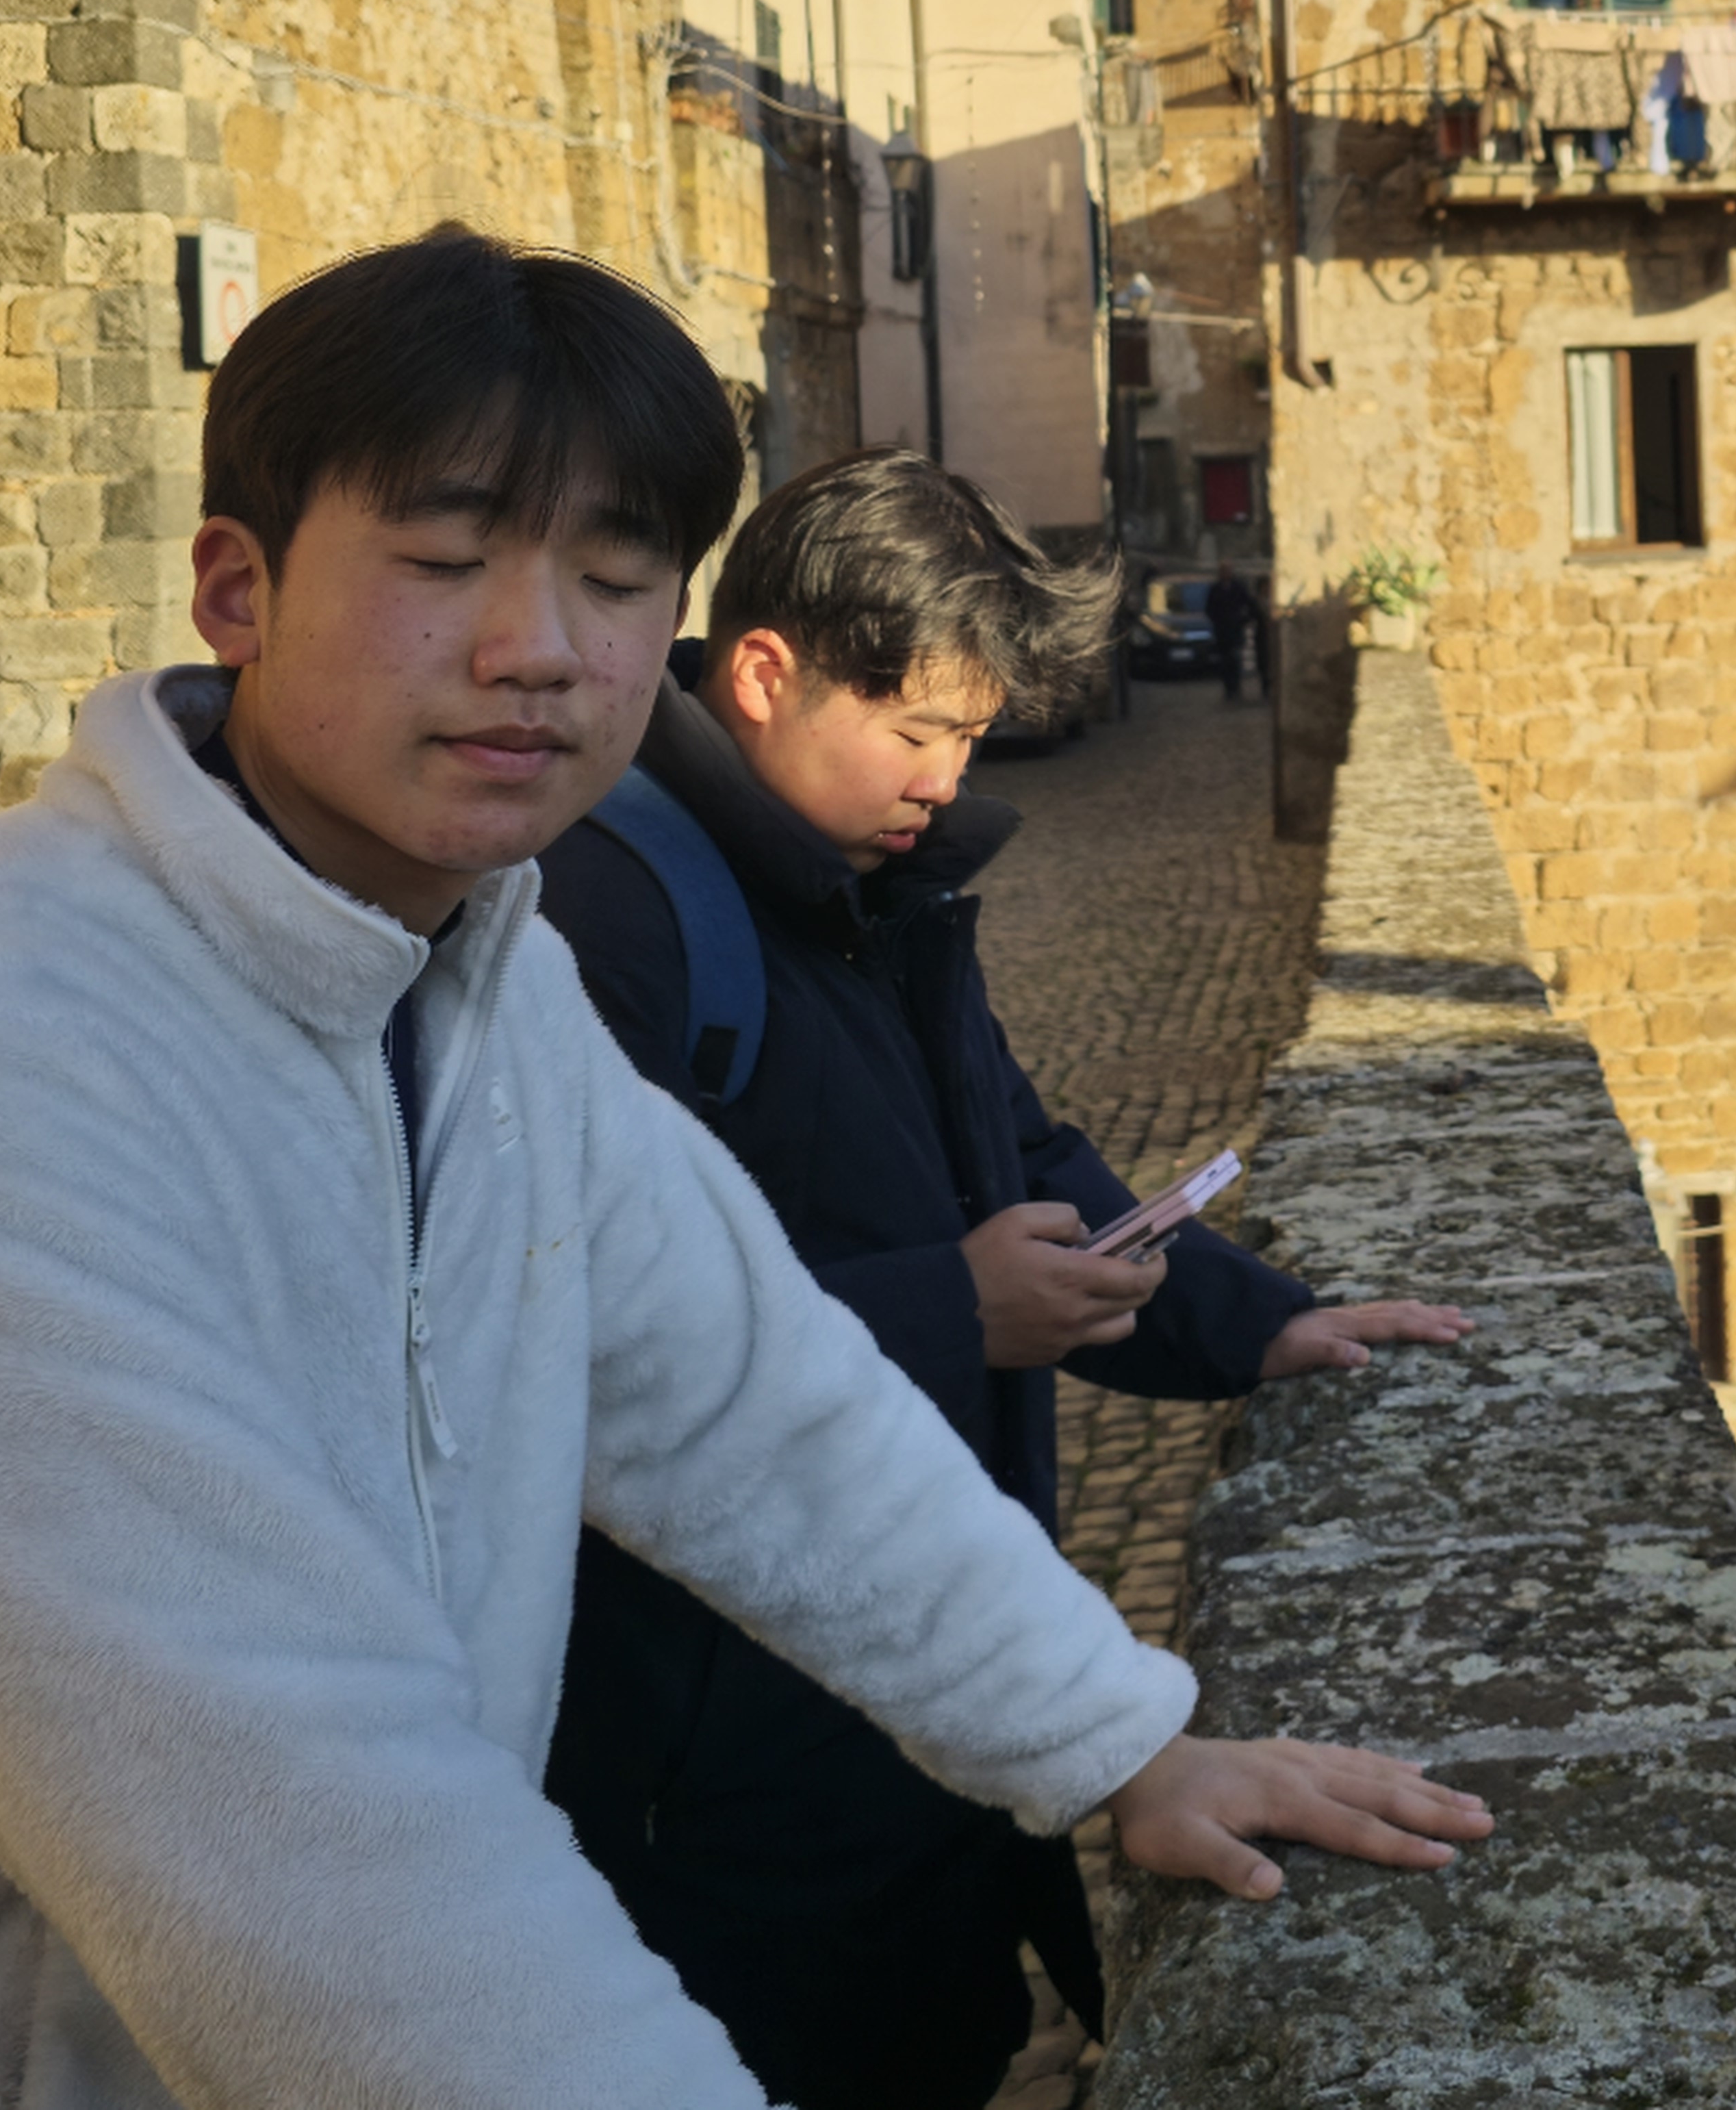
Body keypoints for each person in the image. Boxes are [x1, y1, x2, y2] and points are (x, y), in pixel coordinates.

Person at [0, 232, 1486, 2110]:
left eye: (616, 579)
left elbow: (755, 1401)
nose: (540, 647)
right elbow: (306, 1836)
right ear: (236, 587)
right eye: (443, 558)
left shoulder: (472, 985)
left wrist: (1118, 1737)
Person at [541, 451, 1464, 2110]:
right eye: (919, 730)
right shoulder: (606, 917)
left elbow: (1016, 1148)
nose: (947, 776)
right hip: (726, 1774)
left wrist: (1259, 1322)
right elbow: (578, 1342)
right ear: (765, 673)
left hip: (906, 1722)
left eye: (970, 734)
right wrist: (951, 1309)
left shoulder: (869, 878)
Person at [1201, 561, 1257, 704]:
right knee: (1225, 662)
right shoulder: (1215, 589)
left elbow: (1249, 604)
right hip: (1222, 632)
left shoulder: (1238, 587)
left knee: (1235, 660)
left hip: (1235, 630)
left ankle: (1236, 688)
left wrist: (1243, 620)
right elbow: (1209, 608)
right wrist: (1218, 621)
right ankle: (1229, 689)